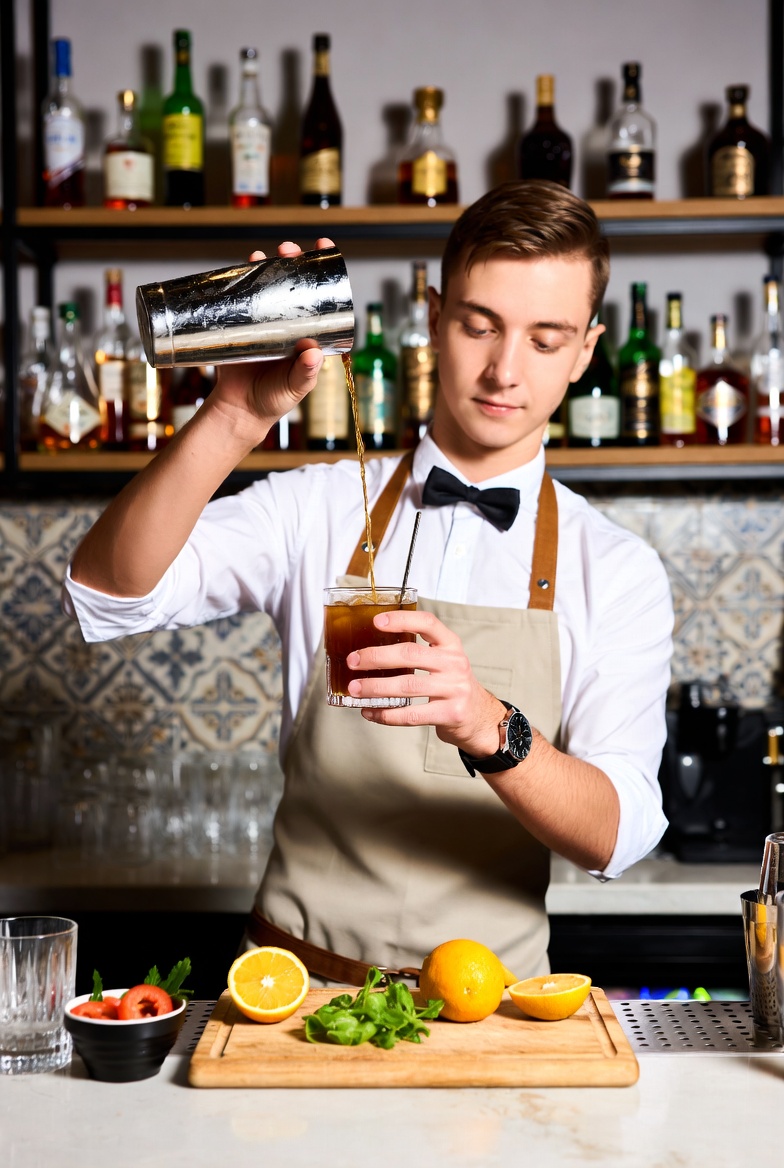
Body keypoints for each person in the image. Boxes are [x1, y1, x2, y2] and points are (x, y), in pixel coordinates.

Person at [62, 180, 672, 983]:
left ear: (587, 351)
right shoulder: (311, 504)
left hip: (494, 1010)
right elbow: (112, 589)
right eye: (478, 325)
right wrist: (234, 418)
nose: (503, 370)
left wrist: (488, 723)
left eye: (545, 340)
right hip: (288, 994)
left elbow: (618, 833)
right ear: (432, 314)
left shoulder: (616, 568)